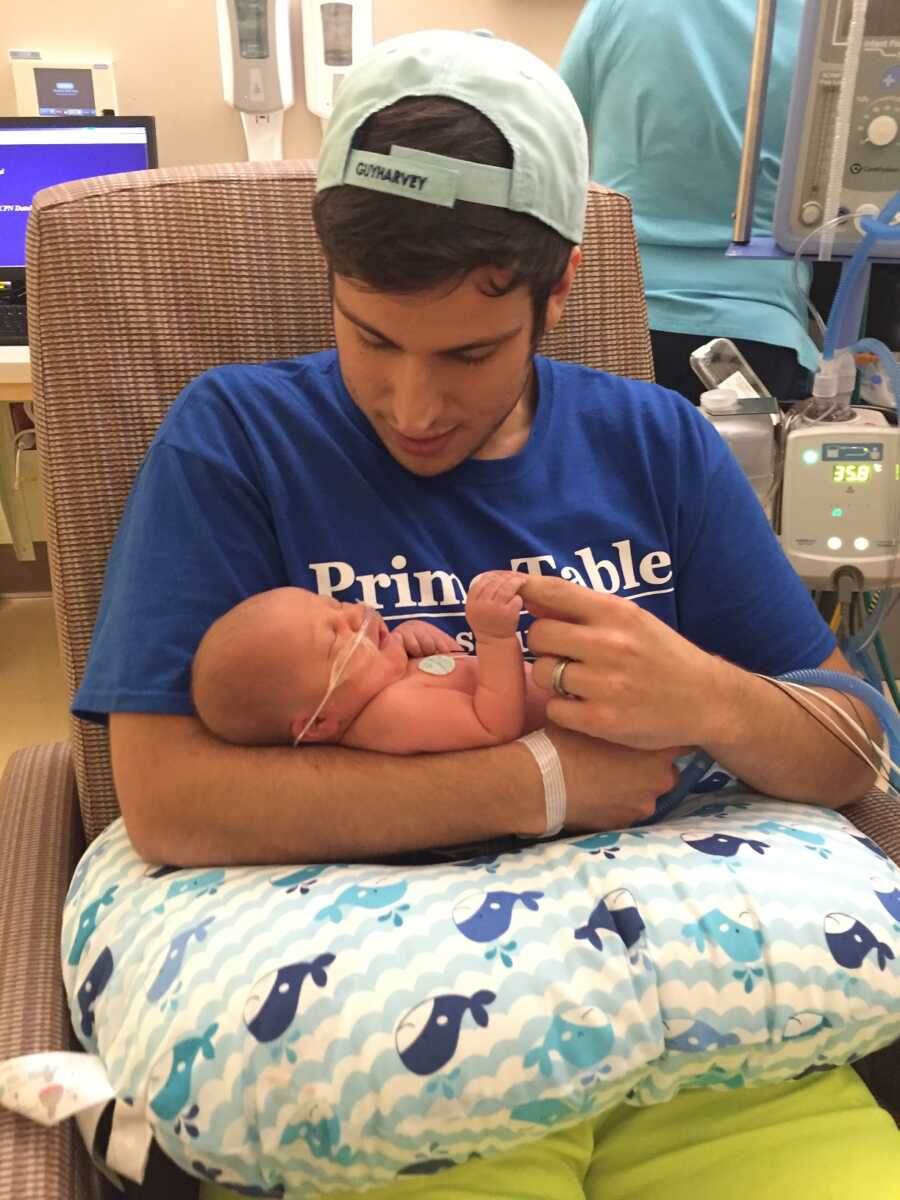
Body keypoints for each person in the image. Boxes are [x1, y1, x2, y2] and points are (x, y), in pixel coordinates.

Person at [72, 28, 897, 1200]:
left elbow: (852, 737)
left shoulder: (655, 444)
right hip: (395, 1044)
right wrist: (546, 781)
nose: (413, 407)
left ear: (558, 291)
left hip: (710, 1035)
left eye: (468, 352)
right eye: (371, 339)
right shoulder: (237, 440)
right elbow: (166, 799)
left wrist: (709, 695)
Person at [558, 0, 820, 403]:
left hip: (608, 326)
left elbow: (558, 134)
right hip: (756, 334)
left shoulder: (618, 8)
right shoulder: (820, 21)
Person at [191, 574, 550, 751]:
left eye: (334, 604)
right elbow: (494, 726)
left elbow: (450, 683)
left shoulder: (386, 686)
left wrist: (411, 639)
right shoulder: (390, 715)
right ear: (317, 724)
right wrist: (494, 639)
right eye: (335, 639)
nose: (353, 615)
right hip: (571, 726)